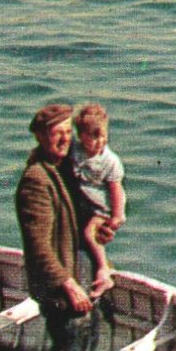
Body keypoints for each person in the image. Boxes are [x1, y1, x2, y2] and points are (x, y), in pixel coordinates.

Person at [15, 103, 110, 351]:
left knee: (86, 350)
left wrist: (102, 238)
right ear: (40, 136)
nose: (64, 139)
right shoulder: (37, 180)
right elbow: (38, 248)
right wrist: (68, 285)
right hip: (63, 290)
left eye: (68, 132)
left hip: (82, 276)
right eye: (57, 133)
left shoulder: (68, 169)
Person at [66, 103, 126, 256]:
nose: (100, 141)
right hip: (83, 201)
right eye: (94, 136)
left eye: (103, 135)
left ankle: (102, 265)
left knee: (90, 233)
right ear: (81, 136)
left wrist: (117, 215)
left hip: (101, 207)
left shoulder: (110, 161)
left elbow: (116, 189)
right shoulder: (76, 149)